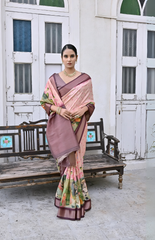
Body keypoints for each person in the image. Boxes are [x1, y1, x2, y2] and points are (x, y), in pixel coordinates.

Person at [40, 44, 95, 220]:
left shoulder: (85, 79)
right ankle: (71, 199)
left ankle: (75, 200)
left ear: (77, 57)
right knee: (68, 163)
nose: (69, 59)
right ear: (62, 58)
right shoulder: (54, 80)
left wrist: (84, 109)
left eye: (72, 56)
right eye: (66, 56)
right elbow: (45, 102)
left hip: (79, 125)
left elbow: (91, 103)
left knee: (76, 163)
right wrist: (60, 110)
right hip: (62, 126)